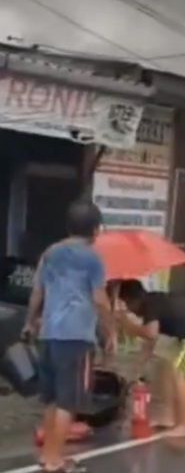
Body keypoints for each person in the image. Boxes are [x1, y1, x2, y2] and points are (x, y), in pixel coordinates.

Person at [22, 200, 115, 473]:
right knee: (68, 401)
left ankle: (47, 455)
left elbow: (37, 291)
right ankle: (54, 461)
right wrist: (110, 332)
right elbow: (100, 300)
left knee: (51, 399)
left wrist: (30, 322)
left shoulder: (50, 252)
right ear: (95, 229)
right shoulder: (92, 258)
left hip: (48, 334)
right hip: (76, 338)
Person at [114, 280, 185, 437]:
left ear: (133, 300)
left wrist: (127, 325)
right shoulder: (152, 302)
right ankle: (171, 418)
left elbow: (150, 333)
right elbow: (150, 341)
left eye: (127, 305)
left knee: (178, 373)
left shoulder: (151, 304)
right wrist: (138, 368)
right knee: (166, 367)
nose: (130, 310)